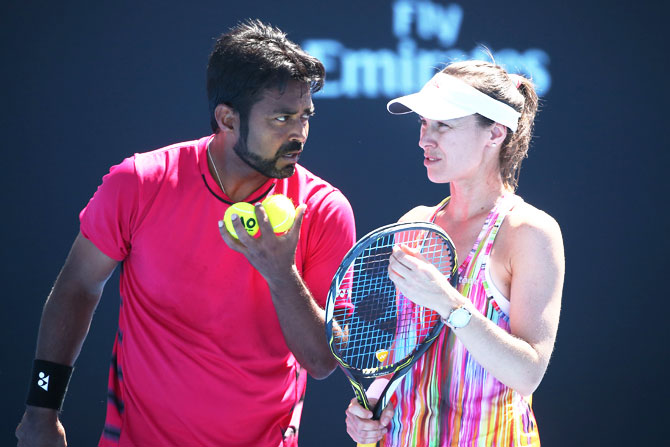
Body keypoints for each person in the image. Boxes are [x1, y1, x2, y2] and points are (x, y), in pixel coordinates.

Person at [16, 20, 356, 447]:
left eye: (306, 116)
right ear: (227, 119)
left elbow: (321, 361)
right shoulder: (139, 183)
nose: (299, 133)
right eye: (281, 118)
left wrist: (279, 272)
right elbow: (78, 285)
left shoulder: (324, 210)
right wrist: (40, 412)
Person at [344, 60, 564, 446]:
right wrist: (373, 403)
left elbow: (528, 373)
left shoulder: (529, 232)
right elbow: (403, 351)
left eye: (443, 125)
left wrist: (448, 302)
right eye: (424, 124)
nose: (425, 139)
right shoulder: (415, 224)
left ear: (495, 133)